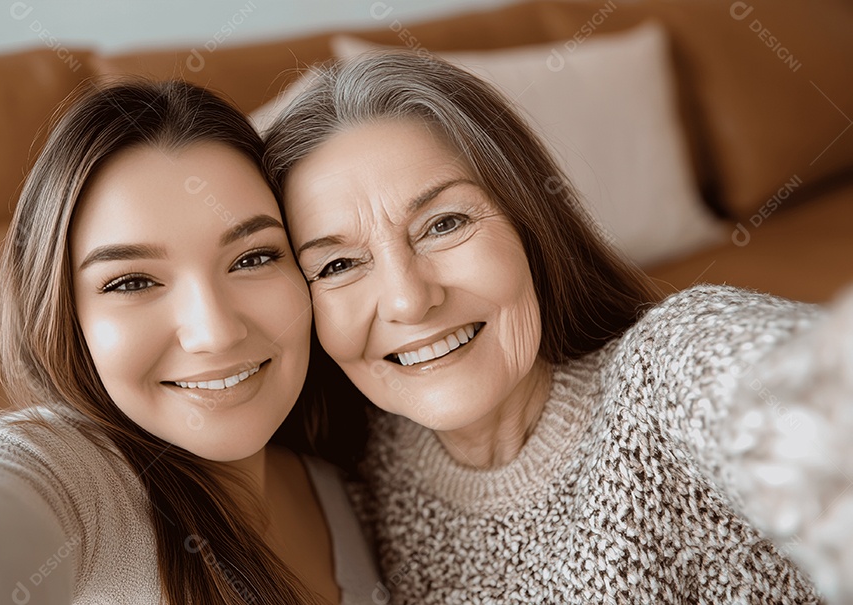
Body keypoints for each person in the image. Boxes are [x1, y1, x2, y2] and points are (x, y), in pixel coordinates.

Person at [0, 79, 380, 604]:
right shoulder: (84, 483)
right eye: (132, 281)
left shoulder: (351, 470)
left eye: (252, 258)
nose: (214, 330)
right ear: (66, 316)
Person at [263, 51, 824, 603]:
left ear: (528, 224)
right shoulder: (359, 475)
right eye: (337, 265)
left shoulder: (663, 372)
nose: (408, 301)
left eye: (444, 223)